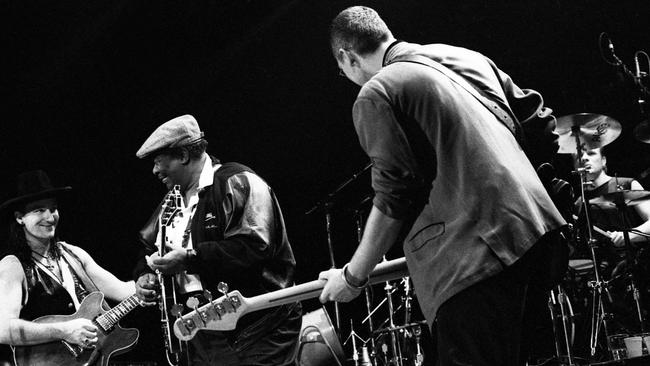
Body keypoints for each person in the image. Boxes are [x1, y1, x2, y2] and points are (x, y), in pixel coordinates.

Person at [318, 6, 567, 365]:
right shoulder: (465, 57)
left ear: (347, 56)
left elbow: (394, 195)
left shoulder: (378, 92)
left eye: (341, 70)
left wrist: (354, 276)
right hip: (538, 240)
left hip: (471, 265)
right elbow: (541, 123)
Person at [132, 114, 301, 365]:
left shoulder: (237, 181)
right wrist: (144, 275)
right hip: (202, 330)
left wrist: (190, 259)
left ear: (183, 156)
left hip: (256, 327)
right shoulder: (172, 199)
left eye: (159, 161)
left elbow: (254, 247)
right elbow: (148, 246)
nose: (155, 170)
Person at [0, 170, 136, 350]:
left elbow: (124, 291)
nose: (50, 217)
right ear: (19, 218)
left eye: (53, 209)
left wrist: (152, 273)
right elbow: (3, 329)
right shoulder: (12, 265)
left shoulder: (73, 254)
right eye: (39, 210)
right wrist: (64, 331)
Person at [576, 147, 650, 246]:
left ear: (603, 161)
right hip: (598, 260)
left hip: (633, 257)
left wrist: (629, 236)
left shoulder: (627, 184)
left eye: (591, 153)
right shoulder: (579, 202)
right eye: (579, 156)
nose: (584, 158)